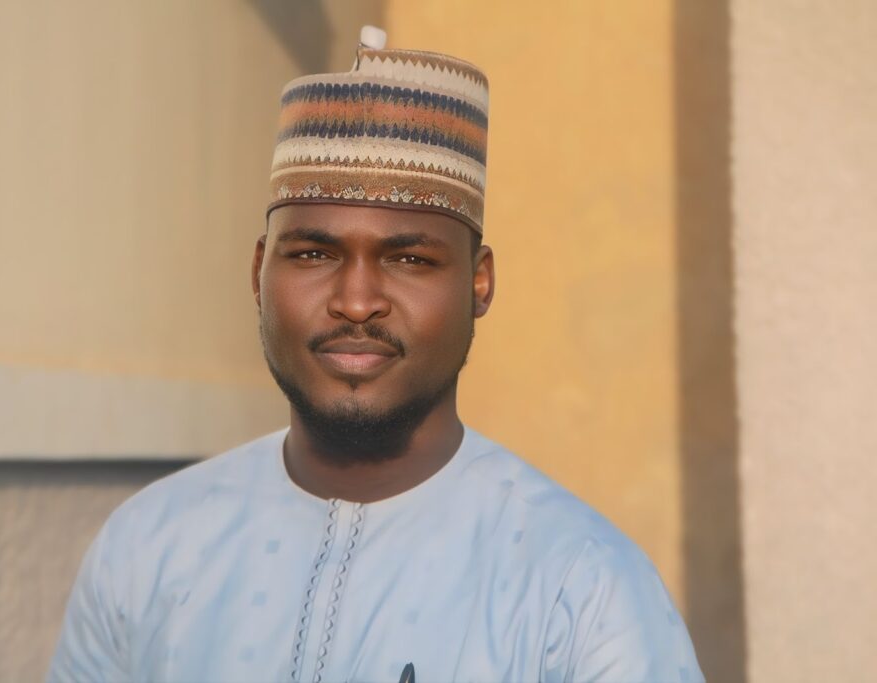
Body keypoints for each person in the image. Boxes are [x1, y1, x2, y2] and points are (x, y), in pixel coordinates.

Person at [48, 27, 703, 683]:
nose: (356, 302)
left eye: (409, 259)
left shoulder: (579, 586)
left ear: (479, 283)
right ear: (258, 271)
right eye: (313, 253)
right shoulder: (145, 549)